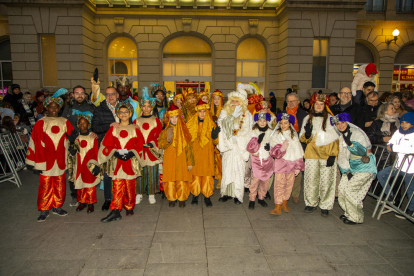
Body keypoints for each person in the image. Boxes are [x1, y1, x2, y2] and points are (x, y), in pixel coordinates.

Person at [25, 96, 74, 222]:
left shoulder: (65, 121)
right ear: (47, 108)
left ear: (59, 108)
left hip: (60, 159)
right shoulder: (41, 123)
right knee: (45, 185)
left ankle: (57, 206)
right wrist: (34, 163)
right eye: (51, 107)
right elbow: (34, 143)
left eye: (56, 107)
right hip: (45, 160)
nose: (53, 109)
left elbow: (73, 138)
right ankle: (44, 208)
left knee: (59, 184)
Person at [98, 102, 144, 222]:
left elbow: (140, 145)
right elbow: (106, 145)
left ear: (130, 114)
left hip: (130, 162)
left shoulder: (135, 129)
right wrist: (115, 152)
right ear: (118, 114)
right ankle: (115, 210)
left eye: (126, 112)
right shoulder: (114, 129)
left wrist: (131, 153)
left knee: (130, 186)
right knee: (117, 187)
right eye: (121, 112)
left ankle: (129, 206)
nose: (123, 114)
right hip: (117, 163)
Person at [331, 113, 377, 225]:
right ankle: (349, 212)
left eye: (342, 122)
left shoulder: (357, 133)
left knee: (351, 191)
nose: (340, 125)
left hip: (365, 168)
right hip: (352, 169)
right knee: (342, 189)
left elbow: (362, 152)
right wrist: (346, 171)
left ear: (347, 122)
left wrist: (351, 144)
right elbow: (342, 156)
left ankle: (356, 217)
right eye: (337, 124)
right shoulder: (342, 136)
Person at [299, 93, 339, 217]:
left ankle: (325, 205)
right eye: (317, 104)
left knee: (327, 180)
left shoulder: (331, 119)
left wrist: (333, 154)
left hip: (327, 153)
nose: (319, 106)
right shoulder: (307, 118)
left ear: (325, 105)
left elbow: (337, 138)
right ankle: (311, 203)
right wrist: (307, 134)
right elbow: (302, 138)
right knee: (311, 179)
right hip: (311, 153)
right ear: (313, 105)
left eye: (321, 104)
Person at [217, 83, 253, 204]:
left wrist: (238, 139)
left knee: (238, 171)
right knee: (227, 170)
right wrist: (231, 117)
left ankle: (237, 195)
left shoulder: (247, 114)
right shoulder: (224, 112)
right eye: (232, 101)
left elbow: (248, 131)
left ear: (241, 103)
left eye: (236, 101)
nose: (233, 103)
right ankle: (226, 193)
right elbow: (221, 125)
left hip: (239, 147)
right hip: (228, 147)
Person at [62, 85, 97, 207]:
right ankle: (75, 196)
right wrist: (71, 140)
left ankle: (90, 196)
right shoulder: (68, 109)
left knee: (88, 169)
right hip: (73, 142)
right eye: (77, 93)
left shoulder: (92, 107)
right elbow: (63, 125)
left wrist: (94, 132)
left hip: (88, 142)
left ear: (85, 95)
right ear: (73, 95)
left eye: (82, 93)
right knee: (73, 171)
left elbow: (97, 123)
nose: (80, 95)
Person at [377, 112, 414, 219]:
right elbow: (390, 143)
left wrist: (394, 147)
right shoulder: (398, 131)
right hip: (398, 165)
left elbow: (410, 149)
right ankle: (390, 195)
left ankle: (411, 209)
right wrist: (392, 146)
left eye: (407, 122)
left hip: (410, 168)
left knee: (409, 189)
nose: (404, 125)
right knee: (381, 175)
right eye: (402, 122)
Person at [158, 104, 194, 208]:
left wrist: (190, 162)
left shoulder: (185, 131)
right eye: (172, 117)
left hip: (182, 158)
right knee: (170, 179)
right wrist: (168, 139)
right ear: (168, 118)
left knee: (182, 178)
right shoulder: (165, 130)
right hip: (169, 158)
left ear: (180, 117)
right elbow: (160, 144)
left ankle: (182, 197)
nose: (174, 119)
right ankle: (171, 198)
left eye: (176, 117)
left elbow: (189, 148)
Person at [269, 113, 304, 215]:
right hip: (281, 164)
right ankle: (277, 205)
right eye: (281, 123)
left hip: (292, 165)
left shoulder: (293, 135)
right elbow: (273, 152)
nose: (283, 125)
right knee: (279, 185)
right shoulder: (276, 135)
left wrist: (298, 166)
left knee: (289, 185)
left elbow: (298, 151)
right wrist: (282, 149)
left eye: (285, 123)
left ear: (290, 124)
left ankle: (284, 203)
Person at [91, 86, 119, 211]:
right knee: (108, 173)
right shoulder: (99, 109)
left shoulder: (125, 107)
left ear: (117, 95)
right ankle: (108, 199)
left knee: (121, 172)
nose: (110, 96)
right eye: (107, 94)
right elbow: (95, 127)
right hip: (106, 145)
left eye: (112, 94)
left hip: (122, 145)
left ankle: (121, 197)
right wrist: (109, 125)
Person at [134, 87, 163, 205]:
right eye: (144, 106)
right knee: (140, 172)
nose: (146, 108)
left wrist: (153, 145)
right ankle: (139, 193)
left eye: (148, 106)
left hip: (152, 150)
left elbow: (159, 136)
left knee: (152, 172)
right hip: (140, 151)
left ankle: (151, 194)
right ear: (142, 107)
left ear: (151, 107)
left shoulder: (156, 120)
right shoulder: (136, 121)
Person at [68, 115, 101, 214]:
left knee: (89, 183)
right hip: (79, 164)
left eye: (84, 123)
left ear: (88, 124)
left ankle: (90, 203)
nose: (82, 125)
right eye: (80, 123)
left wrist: (96, 165)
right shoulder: (77, 137)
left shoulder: (92, 137)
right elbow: (73, 152)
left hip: (89, 164)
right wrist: (72, 151)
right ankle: (82, 201)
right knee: (80, 183)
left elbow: (96, 152)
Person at [187, 99, 217, 207]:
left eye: (204, 111)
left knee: (207, 177)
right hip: (195, 155)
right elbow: (187, 142)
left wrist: (215, 136)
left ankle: (207, 196)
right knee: (195, 177)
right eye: (200, 111)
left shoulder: (211, 124)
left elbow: (216, 142)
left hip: (207, 155)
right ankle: (195, 195)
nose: (202, 114)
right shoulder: (191, 124)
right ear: (197, 112)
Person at [282, 92, 308, 203]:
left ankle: (295, 194)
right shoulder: (282, 114)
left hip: (298, 145)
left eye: (293, 101)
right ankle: (283, 193)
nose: (291, 103)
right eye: (288, 101)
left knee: (297, 171)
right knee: (283, 171)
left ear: (298, 101)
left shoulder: (304, 115)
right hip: (285, 145)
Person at [246, 112, 273, 209]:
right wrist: (258, 142)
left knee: (265, 180)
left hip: (267, 159)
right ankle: (252, 198)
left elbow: (275, 144)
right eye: (260, 121)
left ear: (267, 121)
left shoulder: (271, 132)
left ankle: (261, 197)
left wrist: (270, 147)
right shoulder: (253, 132)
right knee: (255, 180)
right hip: (257, 159)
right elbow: (249, 147)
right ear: (257, 121)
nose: (262, 123)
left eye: (264, 121)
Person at [210, 89, 224, 190]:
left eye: (218, 99)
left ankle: (220, 178)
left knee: (219, 159)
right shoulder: (209, 111)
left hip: (220, 137)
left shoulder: (224, 110)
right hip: (210, 137)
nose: (216, 101)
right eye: (214, 99)